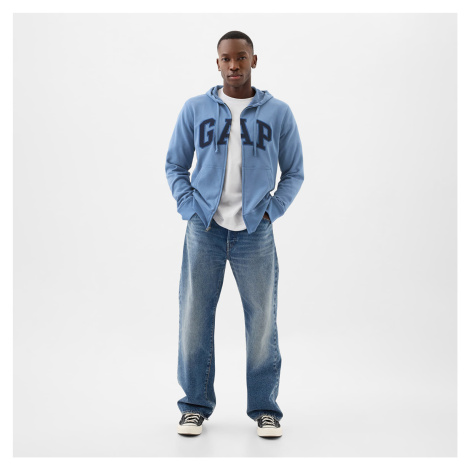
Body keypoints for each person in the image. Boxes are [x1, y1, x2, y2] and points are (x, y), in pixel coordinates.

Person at [165, 30, 304, 438]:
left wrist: (271, 211)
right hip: (204, 228)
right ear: (217, 63)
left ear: (253, 60)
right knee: (194, 316)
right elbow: (175, 164)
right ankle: (194, 406)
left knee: (262, 321)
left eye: (241, 57)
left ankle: (265, 409)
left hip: (254, 232)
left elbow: (295, 171)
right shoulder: (195, 109)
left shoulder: (278, 113)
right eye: (226, 58)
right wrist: (190, 206)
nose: (234, 65)